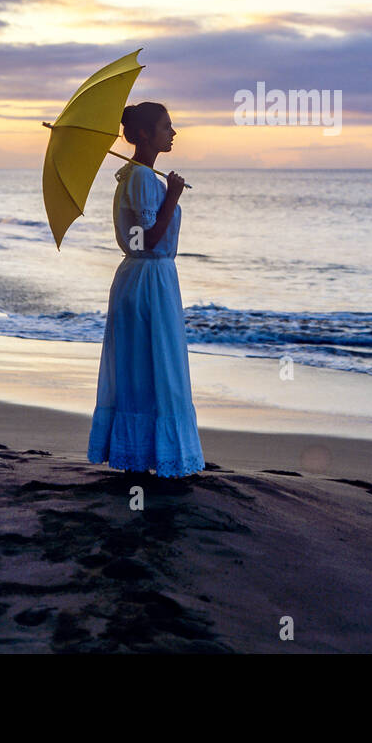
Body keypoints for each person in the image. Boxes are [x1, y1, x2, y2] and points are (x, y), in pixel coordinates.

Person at [87, 101, 206, 479]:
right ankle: (140, 461)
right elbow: (148, 239)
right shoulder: (139, 179)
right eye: (166, 126)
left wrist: (167, 191)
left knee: (155, 365)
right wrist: (172, 196)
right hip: (146, 279)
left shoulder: (142, 176)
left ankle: (148, 456)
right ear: (143, 135)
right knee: (147, 368)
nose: (173, 133)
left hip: (154, 279)